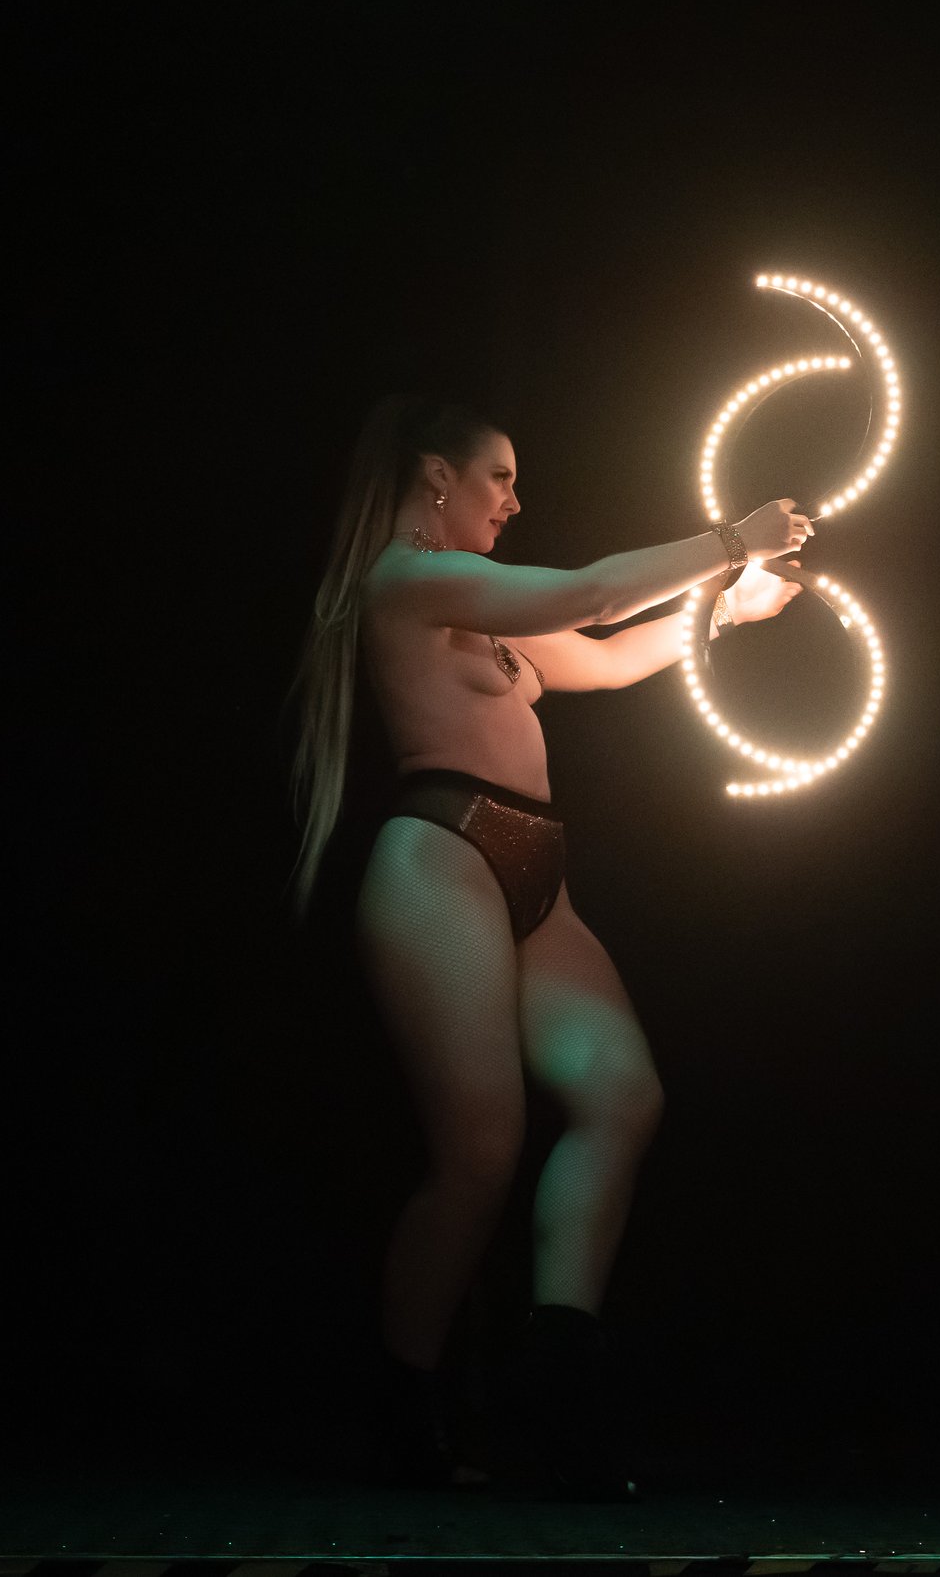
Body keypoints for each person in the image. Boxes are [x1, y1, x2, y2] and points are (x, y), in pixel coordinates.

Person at [287, 394, 812, 1500]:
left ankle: (554, 1397)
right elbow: (590, 590)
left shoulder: (484, 607)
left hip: (535, 869)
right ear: (438, 474)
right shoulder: (404, 579)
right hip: (443, 854)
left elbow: (607, 654)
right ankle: (401, 1409)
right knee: (479, 1151)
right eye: (500, 476)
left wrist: (734, 603)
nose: (516, 498)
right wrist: (729, 540)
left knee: (621, 1093)